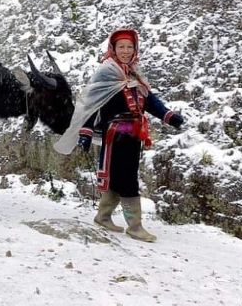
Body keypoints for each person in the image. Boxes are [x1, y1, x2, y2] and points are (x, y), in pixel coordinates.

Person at [54, 28, 184, 242]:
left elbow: (150, 101)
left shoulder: (135, 74)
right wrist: (85, 133)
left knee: (117, 178)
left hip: (134, 135)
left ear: (135, 49)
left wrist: (168, 116)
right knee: (128, 180)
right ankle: (135, 226)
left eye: (129, 47)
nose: (125, 51)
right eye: (121, 47)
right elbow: (93, 104)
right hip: (115, 135)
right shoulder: (106, 73)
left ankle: (103, 217)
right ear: (113, 49)